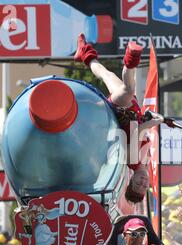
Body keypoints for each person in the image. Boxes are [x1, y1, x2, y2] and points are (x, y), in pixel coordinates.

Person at [74, 34, 173, 204]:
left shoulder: (133, 161)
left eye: (137, 184)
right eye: (144, 186)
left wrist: (157, 122)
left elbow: (139, 131)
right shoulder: (145, 161)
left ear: (131, 181)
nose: (143, 182)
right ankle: (84, 53)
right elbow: (141, 126)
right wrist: (153, 118)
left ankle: (131, 58)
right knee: (106, 75)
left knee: (127, 89)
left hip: (122, 110)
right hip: (133, 110)